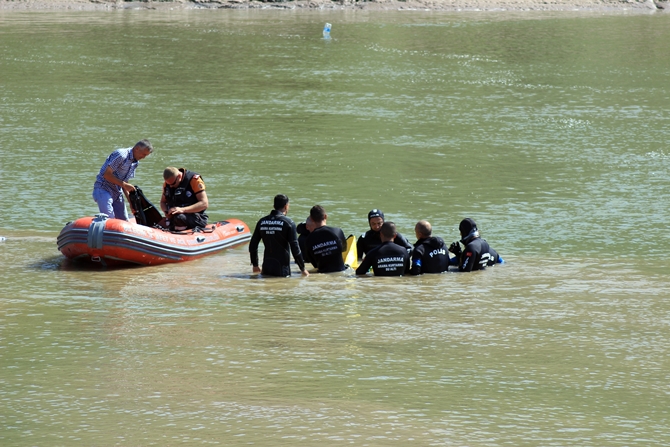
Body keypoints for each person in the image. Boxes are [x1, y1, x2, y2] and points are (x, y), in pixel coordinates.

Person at [249, 194, 309, 277]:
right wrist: (303, 269)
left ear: (274, 206)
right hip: (282, 270)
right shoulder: (288, 223)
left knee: (267, 289)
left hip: (266, 268)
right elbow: (295, 248)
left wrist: (255, 265)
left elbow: (253, 244)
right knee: (282, 288)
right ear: (286, 206)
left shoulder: (262, 222)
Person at [92, 139, 153, 220]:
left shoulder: (135, 163)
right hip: (103, 188)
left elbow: (125, 182)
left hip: (117, 192)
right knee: (109, 219)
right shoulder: (121, 155)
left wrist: (131, 203)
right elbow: (107, 175)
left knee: (124, 220)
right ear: (137, 148)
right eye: (143, 154)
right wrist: (124, 184)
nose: (144, 157)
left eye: (146, 155)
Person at [159, 167, 209, 231]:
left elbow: (204, 203)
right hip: (175, 217)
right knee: (176, 218)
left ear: (179, 176)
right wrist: (166, 212)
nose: (171, 186)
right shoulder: (168, 183)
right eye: (169, 184)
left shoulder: (194, 180)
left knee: (179, 217)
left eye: (173, 184)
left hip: (195, 216)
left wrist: (182, 210)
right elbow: (162, 202)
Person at [304, 205, 347, 273]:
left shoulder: (308, 240)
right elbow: (344, 251)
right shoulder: (337, 231)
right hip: (341, 273)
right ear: (325, 216)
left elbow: (314, 264)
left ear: (312, 219)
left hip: (322, 275)